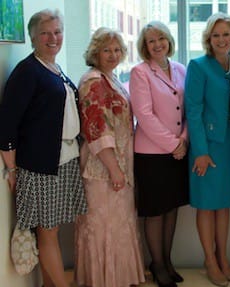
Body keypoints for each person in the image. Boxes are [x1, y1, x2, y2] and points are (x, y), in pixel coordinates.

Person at [0, 9, 87, 287]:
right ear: (33, 37)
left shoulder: (53, 67)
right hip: (40, 166)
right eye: (45, 33)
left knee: (52, 230)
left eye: (58, 31)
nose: (53, 38)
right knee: (47, 233)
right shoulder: (27, 71)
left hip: (65, 159)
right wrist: (11, 168)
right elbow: (8, 123)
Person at [74, 27, 145, 287]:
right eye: (107, 50)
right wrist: (114, 169)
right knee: (104, 226)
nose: (113, 54)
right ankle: (104, 280)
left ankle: (119, 277)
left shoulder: (111, 78)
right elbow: (96, 129)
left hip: (120, 164)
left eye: (117, 50)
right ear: (96, 52)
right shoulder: (93, 81)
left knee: (119, 224)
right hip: (103, 168)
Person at [130, 21, 189, 287]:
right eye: (151, 40)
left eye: (161, 38)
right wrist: (172, 144)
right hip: (152, 154)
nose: (157, 44)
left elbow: (189, 109)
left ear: (168, 41)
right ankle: (157, 264)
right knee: (155, 212)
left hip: (178, 151)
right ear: (145, 46)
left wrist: (184, 141)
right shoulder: (140, 72)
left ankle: (167, 260)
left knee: (171, 209)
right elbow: (144, 114)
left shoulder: (180, 69)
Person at [185, 13, 230, 287]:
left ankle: (224, 257)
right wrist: (201, 152)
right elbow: (193, 111)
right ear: (209, 39)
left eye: (226, 34)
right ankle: (210, 260)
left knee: (225, 204)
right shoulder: (198, 66)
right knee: (207, 205)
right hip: (207, 145)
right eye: (216, 35)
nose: (221, 39)